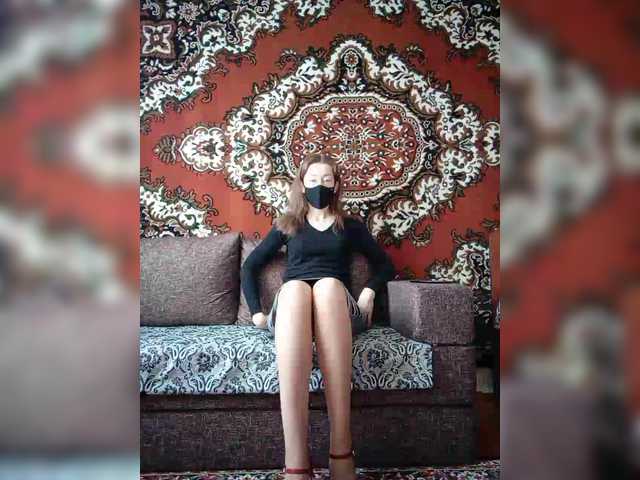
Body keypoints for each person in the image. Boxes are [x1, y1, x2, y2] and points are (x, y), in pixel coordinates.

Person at [240, 152, 396, 480]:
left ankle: (341, 451)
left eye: (326, 180)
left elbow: (385, 265)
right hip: (292, 314)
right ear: (301, 185)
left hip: (337, 309)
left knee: (326, 286)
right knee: (296, 290)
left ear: (336, 185)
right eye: (312, 180)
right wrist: (256, 312)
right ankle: (296, 462)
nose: (319, 186)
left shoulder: (349, 226)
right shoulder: (288, 224)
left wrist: (369, 291)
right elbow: (249, 267)